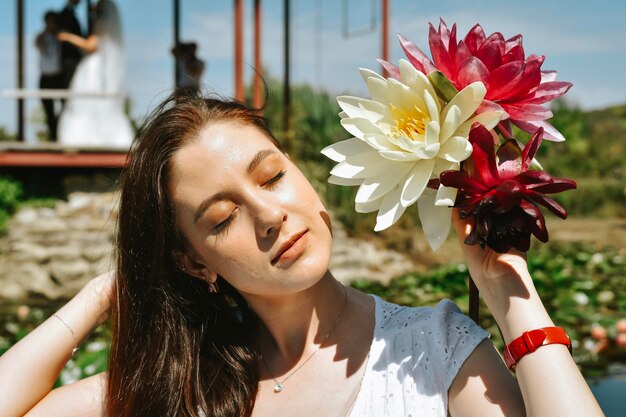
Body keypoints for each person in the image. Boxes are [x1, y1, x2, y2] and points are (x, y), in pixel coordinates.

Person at [0, 91, 605, 417]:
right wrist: (110, 287)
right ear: (193, 261)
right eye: (222, 216)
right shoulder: (185, 390)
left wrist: (507, 291)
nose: (269, 215)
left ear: (305, 177)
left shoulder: (437, 350)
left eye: (271, 178)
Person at [56, 0, 133, 148]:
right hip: (98, 67)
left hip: (93, 68)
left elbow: (90, 45)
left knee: (85, 102)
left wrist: (67, 37)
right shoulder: (106, 23)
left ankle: (84, 137)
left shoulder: (102, 23)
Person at [35, 11, 63, 142]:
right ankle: (53, 136)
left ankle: (60, 133)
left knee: (64, 107)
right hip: (45, 77)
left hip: (58, 77)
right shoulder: (41, 36)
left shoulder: (60, 36)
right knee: (48, 110)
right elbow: (38, 43)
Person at [57, 0, 83, 92]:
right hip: (69, 61)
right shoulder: (64, 14)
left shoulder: (70, 13)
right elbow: (61, 36)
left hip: (73, 60)